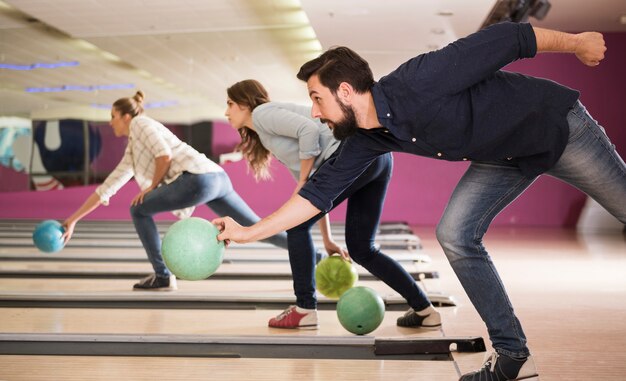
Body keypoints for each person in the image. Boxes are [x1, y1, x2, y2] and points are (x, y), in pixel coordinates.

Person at [213, 22, 625, 381]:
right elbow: (315, 195)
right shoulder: (366, 137)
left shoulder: (417, 80)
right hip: (503, 157)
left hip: (559, 129)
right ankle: (514, 356)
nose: (314, 113)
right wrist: (249, 233)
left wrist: (576, 43)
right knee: (455, 234)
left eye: (317, 99)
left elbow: (510, 37)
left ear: (344, 90)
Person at [225, 79, 441, 330]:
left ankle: (305, 309)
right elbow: (311, 199)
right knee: (362, 249)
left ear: (244, 104)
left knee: (295, 227)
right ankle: (425, 311)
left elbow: (309, 131)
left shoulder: (262, 114)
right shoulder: (266, 133)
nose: (226, 112)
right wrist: (327, 239)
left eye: (230, 104)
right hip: (375, 156)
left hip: (351, 154)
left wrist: (305, 180)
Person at [61, 90, 288, 291]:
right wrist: (72, 220)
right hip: (217, 178)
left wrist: (150, 187)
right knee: (257, 227)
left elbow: (164, 155)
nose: (110, 122)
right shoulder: (134, 146)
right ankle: (315, 254)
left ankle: (162, 276)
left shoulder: (141, 124)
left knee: (139, 210)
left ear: (126, 116)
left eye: (113, 116)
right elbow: (108, 186)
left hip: (198, 179)